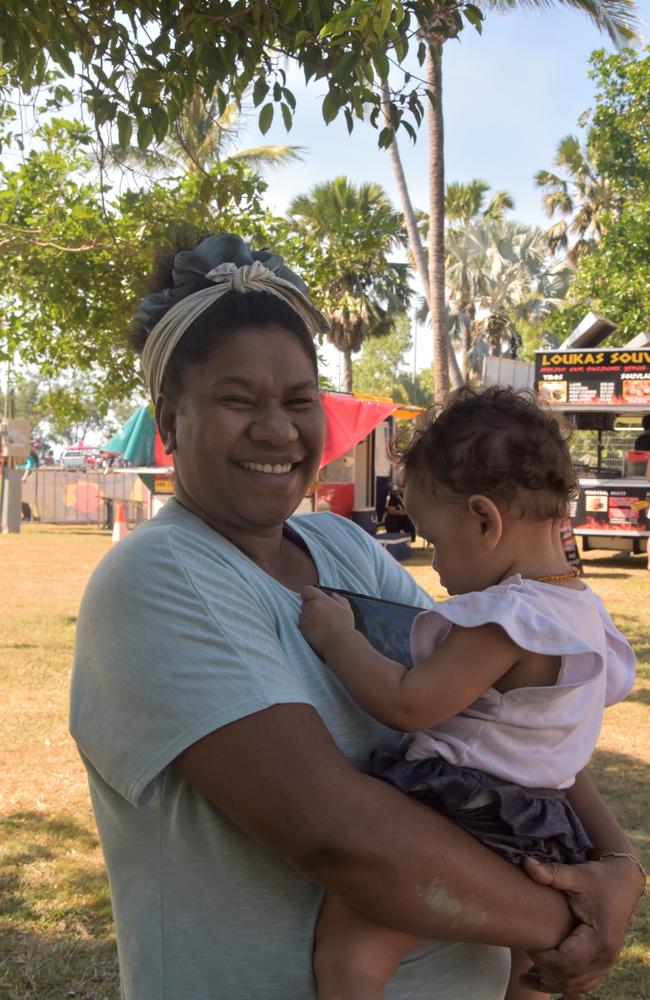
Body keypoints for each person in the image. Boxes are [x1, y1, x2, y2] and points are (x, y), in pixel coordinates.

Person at [69, 234, 644, 1000]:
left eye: (300, 400)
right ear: (170, 421)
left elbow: (501, 715)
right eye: (238, 400)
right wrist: (566, 920)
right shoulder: (159, 577)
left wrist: (616, 866)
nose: (278, 429)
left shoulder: (343, 546)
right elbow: (341, 841)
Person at [299, 386, 643, 1000]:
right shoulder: (585, 617)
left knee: (351, 953)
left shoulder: (505, 620)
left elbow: (409, 702)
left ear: (486, 520)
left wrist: (336, 638)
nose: (436, 566)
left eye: (436, 538)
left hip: (461, 810)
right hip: (546, 830)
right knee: (536, 974)